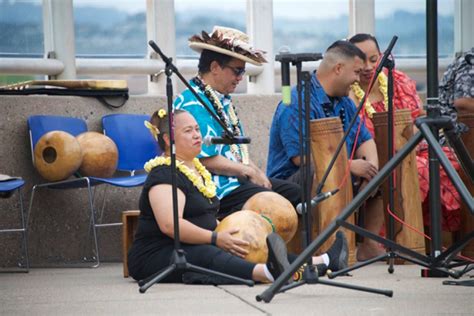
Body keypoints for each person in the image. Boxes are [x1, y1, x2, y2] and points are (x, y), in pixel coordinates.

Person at [127, 109, 349, 284]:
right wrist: (215, 238)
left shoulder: (197, 170)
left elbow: (202, 217)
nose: (197, 135)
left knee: (245, 245)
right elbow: (170, 225)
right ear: (168, 139)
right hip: (157, 254)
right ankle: (268, 273)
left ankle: (321, 262)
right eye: (188, 131)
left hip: (197, 242)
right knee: (207, 253)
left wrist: (231, 232)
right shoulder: (165, 173)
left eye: (197, 129)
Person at [267, 40, 384, 261]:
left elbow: (365, 141)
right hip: (292, 180)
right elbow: (300, 158)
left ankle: (367, 244)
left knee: (381, 171)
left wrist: (371, 170)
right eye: (357, 72)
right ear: (338, 68)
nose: (359, 79)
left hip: (335, 170)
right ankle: (324, 249)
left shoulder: (345, 102)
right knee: (320, 173)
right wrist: (349, 166)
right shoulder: (295, 101)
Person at [173, 26, 300, 219]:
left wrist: (257, 172)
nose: (240, 78)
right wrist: (248, 171)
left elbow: (237, 150)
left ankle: (310, 249)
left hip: (237, 182)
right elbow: (204, 158)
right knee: (272, 203)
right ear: (215, 67)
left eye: (243, 71)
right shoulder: (192, 102)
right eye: (237, 71)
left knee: (296, 193)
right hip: (216, 189)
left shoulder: (220, 98)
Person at [348, 34, 462, 233]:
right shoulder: (348, 93)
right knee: (416, 169)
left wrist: (410, 140)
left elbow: (418, 118)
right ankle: (403, 234)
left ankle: (435, 234)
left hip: (412, 148)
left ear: (382, 56)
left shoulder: (398, 80)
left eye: (373, 60)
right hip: (378, 158)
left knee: (450, 161)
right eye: (360, 61)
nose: (367, 67)